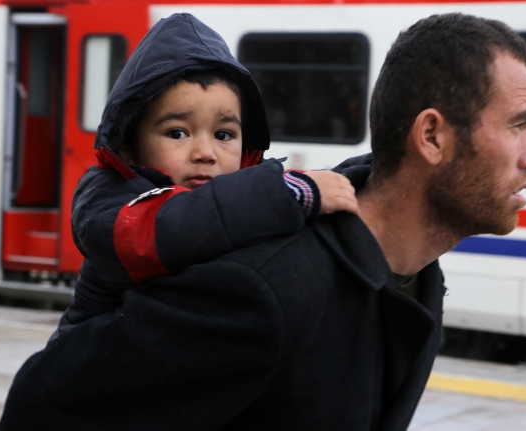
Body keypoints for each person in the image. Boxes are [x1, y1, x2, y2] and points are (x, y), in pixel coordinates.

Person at [0, 13, 526, 431]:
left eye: (225, 134)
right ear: (431, 136)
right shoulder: (263, 287)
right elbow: (44, 407)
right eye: (519, 126)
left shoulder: (416, 280)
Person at [54, 13, 358, 338]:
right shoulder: (111, 206)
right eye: (177, 133)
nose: (206, 152)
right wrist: (287, 194)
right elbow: (175, 225)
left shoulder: (231, 208)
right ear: (129, 147)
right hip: (91, 378)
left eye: (224, 135)